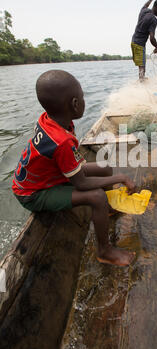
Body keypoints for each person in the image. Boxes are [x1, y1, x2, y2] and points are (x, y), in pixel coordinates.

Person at [12, 70, 136, 266]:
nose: (84, 100)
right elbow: (83, 183)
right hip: (34, 193)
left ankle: (108, 210)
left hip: (49, 174)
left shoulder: (51, 119)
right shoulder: (60, 141)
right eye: (82, 97)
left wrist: (112, 175)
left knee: (104, 167)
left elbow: (68, 162)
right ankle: (105, 251)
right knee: (96, 197)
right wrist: (120, 177)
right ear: (75, 104)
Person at [131, 0, 157, 81]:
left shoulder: (144, 11)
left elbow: (146, 4)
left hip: (133, 42)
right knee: (142, 68)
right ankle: (141, 85)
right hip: (139, 45)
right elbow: (152, 38)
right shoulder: (153, 19)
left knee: (141, 67)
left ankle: (141, 81)